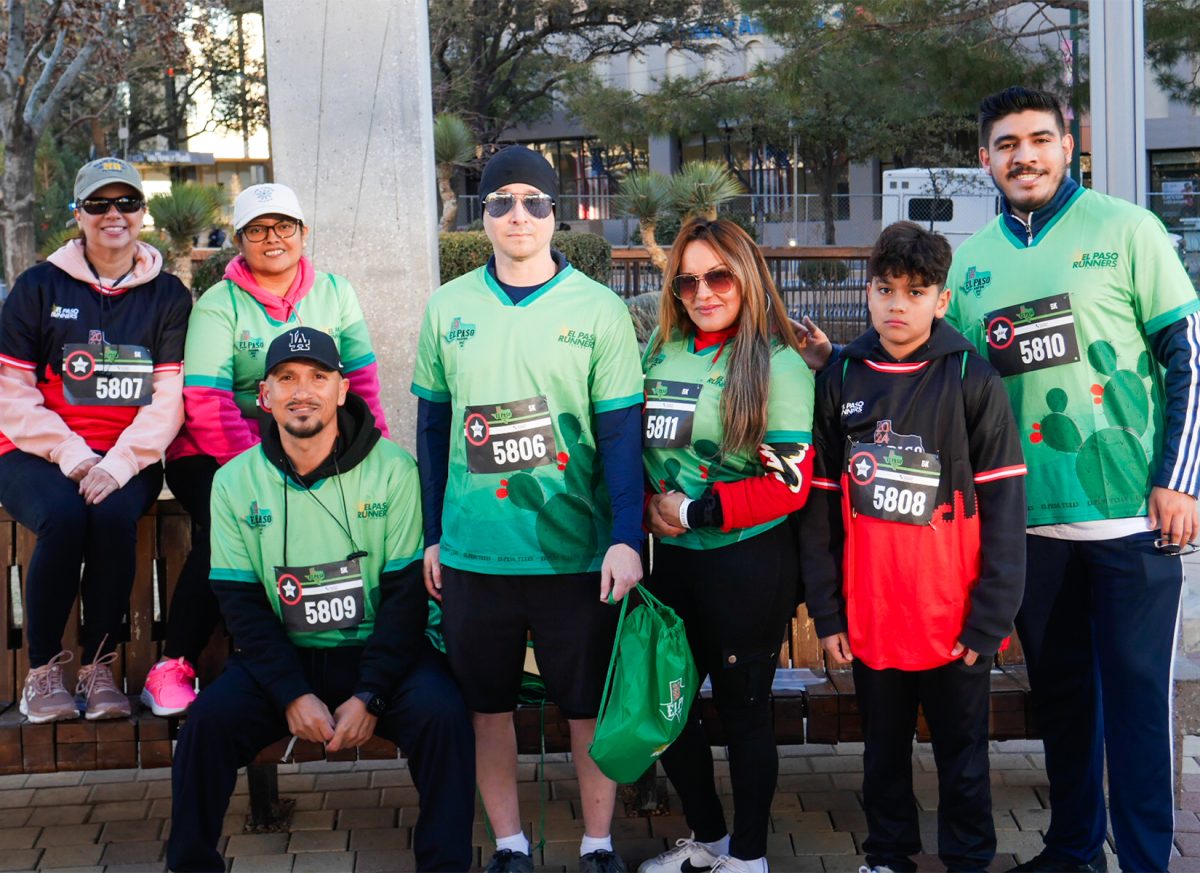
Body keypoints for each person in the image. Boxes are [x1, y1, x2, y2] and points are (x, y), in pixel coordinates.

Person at [944, 86, 1200, 873]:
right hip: (1026, 526)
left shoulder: (1127, 229)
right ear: (984, 158)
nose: (1024, 155)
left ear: (1067, 144)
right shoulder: (971, 259)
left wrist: (1181, 479)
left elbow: (1187, 355)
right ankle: (1075, 848)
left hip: (1131, 518)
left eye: (1039, 139)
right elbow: (940, 376)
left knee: (1137, 708)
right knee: (1063, 701)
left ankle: (1148, 859)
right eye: (1006, 143)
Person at [412, 145, 644, 873]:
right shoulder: (447, 307)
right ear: (482, 215)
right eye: (502, 201)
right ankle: (510, 844)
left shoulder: (599, 310)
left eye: (534, 201)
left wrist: (627, 536)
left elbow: (620, 436)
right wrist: (432, 536)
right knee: (488, 706)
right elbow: (431, 430)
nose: (518, 214)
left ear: (557, 212)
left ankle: (599, 844)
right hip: (477, 552)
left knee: (585, 708)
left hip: (575, 551)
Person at [167, 328, 473, 873]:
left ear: (341, 390)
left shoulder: (395, 471)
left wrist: (372, 695)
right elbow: (241, 605)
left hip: (379, 654)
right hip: (283, 658)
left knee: (444, 716)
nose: (301, 390)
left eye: (317, 377)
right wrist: (291, 694)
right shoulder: (234, 482)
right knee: (206, 727)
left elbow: (405, 600)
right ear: (265, 396)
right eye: (286, 378)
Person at [803, 221, 1027, 873]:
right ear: (868, 292)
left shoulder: (973, 378)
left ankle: (969, 857)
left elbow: (1007, 509)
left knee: (963, 754)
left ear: (942, 299)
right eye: (885, 288)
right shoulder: (841, 374)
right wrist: (828, 611)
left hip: (953, 620)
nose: (898, 303)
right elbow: (819, 505)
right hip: (871, 617)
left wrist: (990, 616)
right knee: (883, 754)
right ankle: (887, 852)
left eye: (916, 290)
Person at [150, 182, 390, 717]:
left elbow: (363, 385)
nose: (272, 238)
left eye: (284, 226)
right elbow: (206, 402)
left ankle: (356, 657)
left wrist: (376, 455)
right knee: (228, 526)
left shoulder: (335, 292)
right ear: (239, 240)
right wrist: (261, 471)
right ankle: (173, 663)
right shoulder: (218, 303)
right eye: (258, 229)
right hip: (216, 451)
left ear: (304, 233)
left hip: (310, 446)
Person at [635, 219, 815, 873]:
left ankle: (749, 854)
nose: (702, 291)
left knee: (743, 712)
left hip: (747, 562)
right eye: (687, 280)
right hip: (672, 564)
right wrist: (649, 502)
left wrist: (690, 508)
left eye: (718, 275)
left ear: (746, 274)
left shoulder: (778, 359)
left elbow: (789, 481)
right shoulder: (662, 345)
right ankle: (707, 840)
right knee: (670, 705)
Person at [0, 157, 191, 722]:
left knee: (110, 517)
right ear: (78, 214)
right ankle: (42, 674)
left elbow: (168, 399)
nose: (114, 215)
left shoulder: (169, 295)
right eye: (99, 204)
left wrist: (120, 463)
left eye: (127, 203)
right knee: (64, 516)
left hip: (127, 457)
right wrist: (76, 457)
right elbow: (11, 393)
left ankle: (99, 668)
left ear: (143, 213)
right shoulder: (37, 286)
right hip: (35, 451)